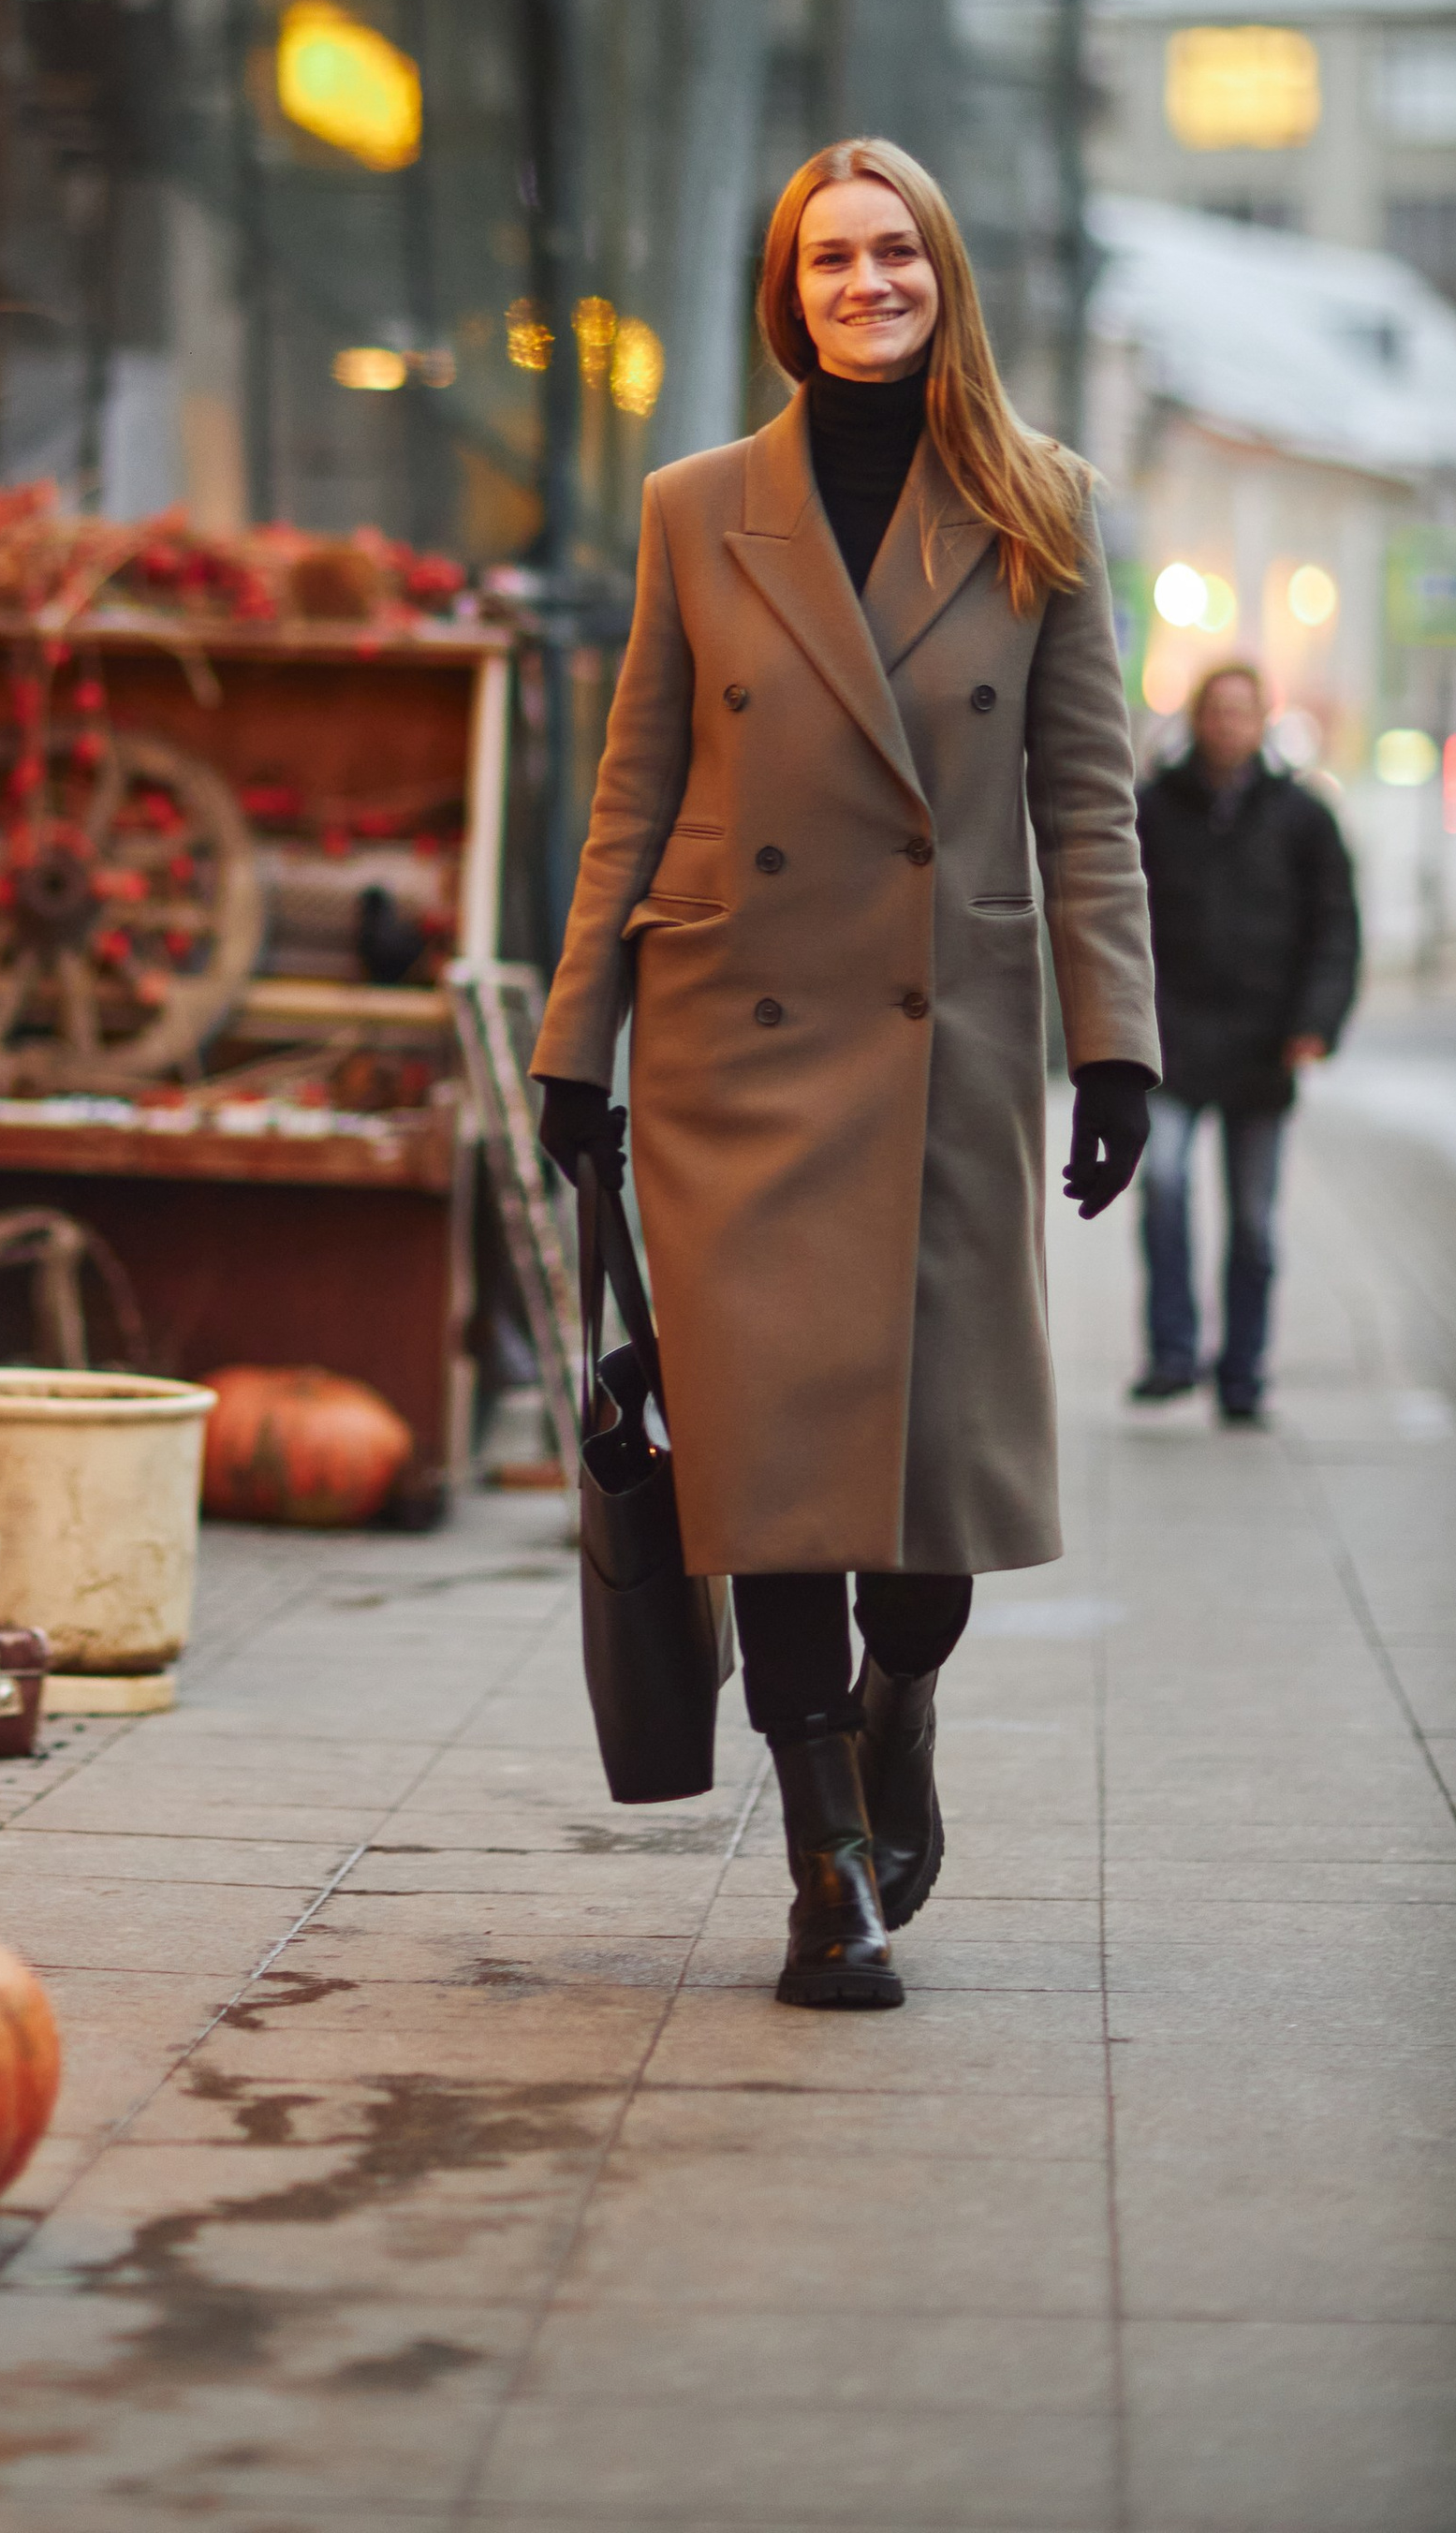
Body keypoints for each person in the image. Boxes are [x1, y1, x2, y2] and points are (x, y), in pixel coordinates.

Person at [533, 139, 1158, 2011]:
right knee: (776, 1482)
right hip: (737, 1039)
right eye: (828, 259)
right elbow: (633, 786)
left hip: (944, 1045)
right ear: (783, 293)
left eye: (893, 251)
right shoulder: (693, 506)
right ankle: (823, 1872)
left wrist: (1110, 1042)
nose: (864, 281)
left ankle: (897, 1708)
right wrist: (577, 1041)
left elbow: (1083, 803)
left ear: (940, 274)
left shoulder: (1036, 505)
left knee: (931, 1525)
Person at [1130, 661, 1360, 1422]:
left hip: (1263, 1046)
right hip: (1171, 1043)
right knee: (1161, 1184)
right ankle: (1171, 1352)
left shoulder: (1302, 816)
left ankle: (1242, 1374)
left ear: (1263, 721)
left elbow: (1336, 929)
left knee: (1254, 1221)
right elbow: (1117, 919)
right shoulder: (1153, 809)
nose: (1229, 725)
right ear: (1197, 719)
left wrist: (1313, 1025)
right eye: (1217, 711)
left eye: (1243, 712)